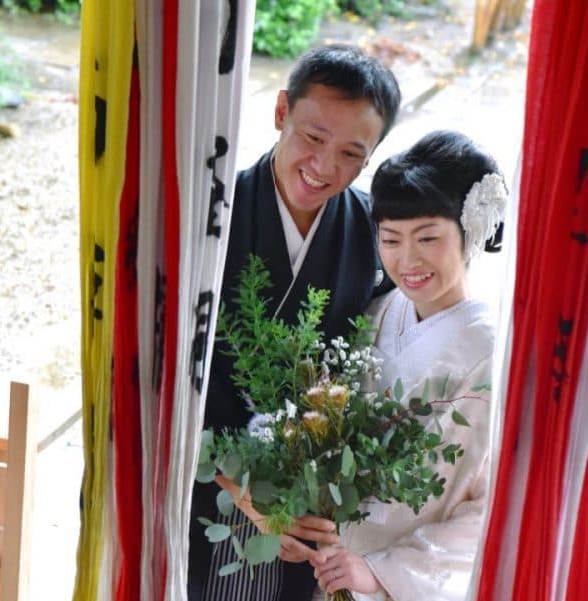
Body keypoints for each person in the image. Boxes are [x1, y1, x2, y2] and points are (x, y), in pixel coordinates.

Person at [188, 44, 401, 601]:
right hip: (211, 479)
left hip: (312, 505)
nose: (326, 167)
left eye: (353, 153)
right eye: (313, 137)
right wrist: (246, 491)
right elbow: (178, 372)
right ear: (282, 111)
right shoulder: (213, 217)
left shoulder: (369, 233)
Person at [310, 130, 506, 601]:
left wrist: (381, 573)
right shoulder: (382, 311)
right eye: (392, 239)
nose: (407, 260)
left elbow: (490, 509)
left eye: (428, 238)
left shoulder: (488, 354)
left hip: (402, 579)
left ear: (471, 232)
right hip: (337, 563)